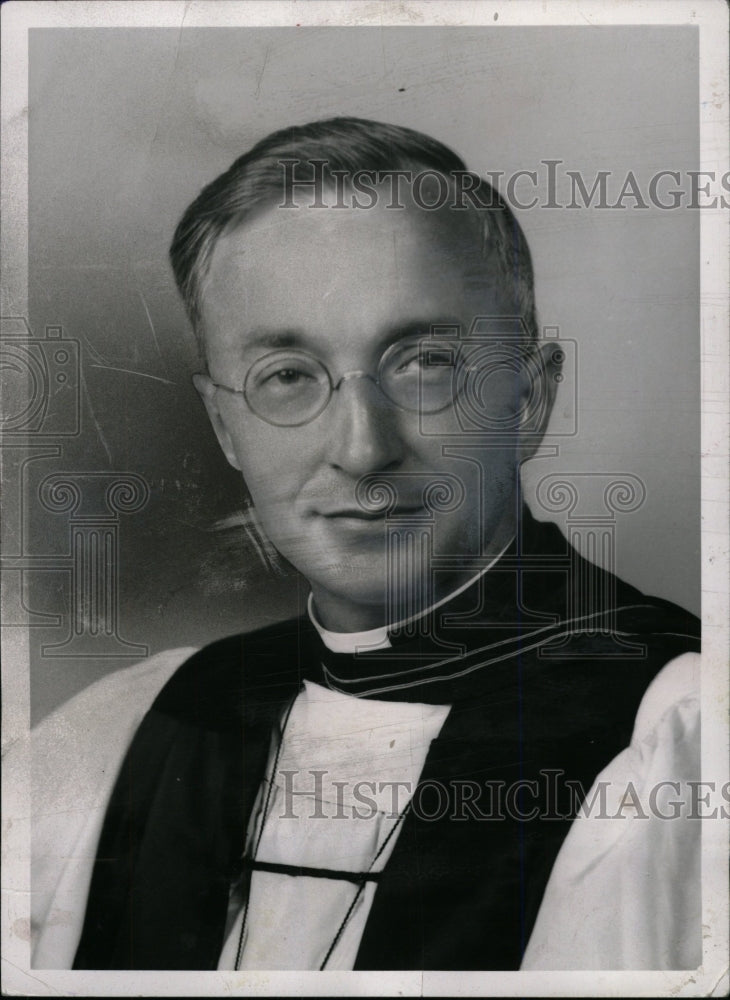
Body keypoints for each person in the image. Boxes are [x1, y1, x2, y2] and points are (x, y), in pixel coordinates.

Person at [31, 118, 701, 971]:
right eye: (286, 377)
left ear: (528, 402)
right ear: (224, 427)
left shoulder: (674, 736)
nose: (361, 448)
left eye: (423, 362)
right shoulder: (125, 732)